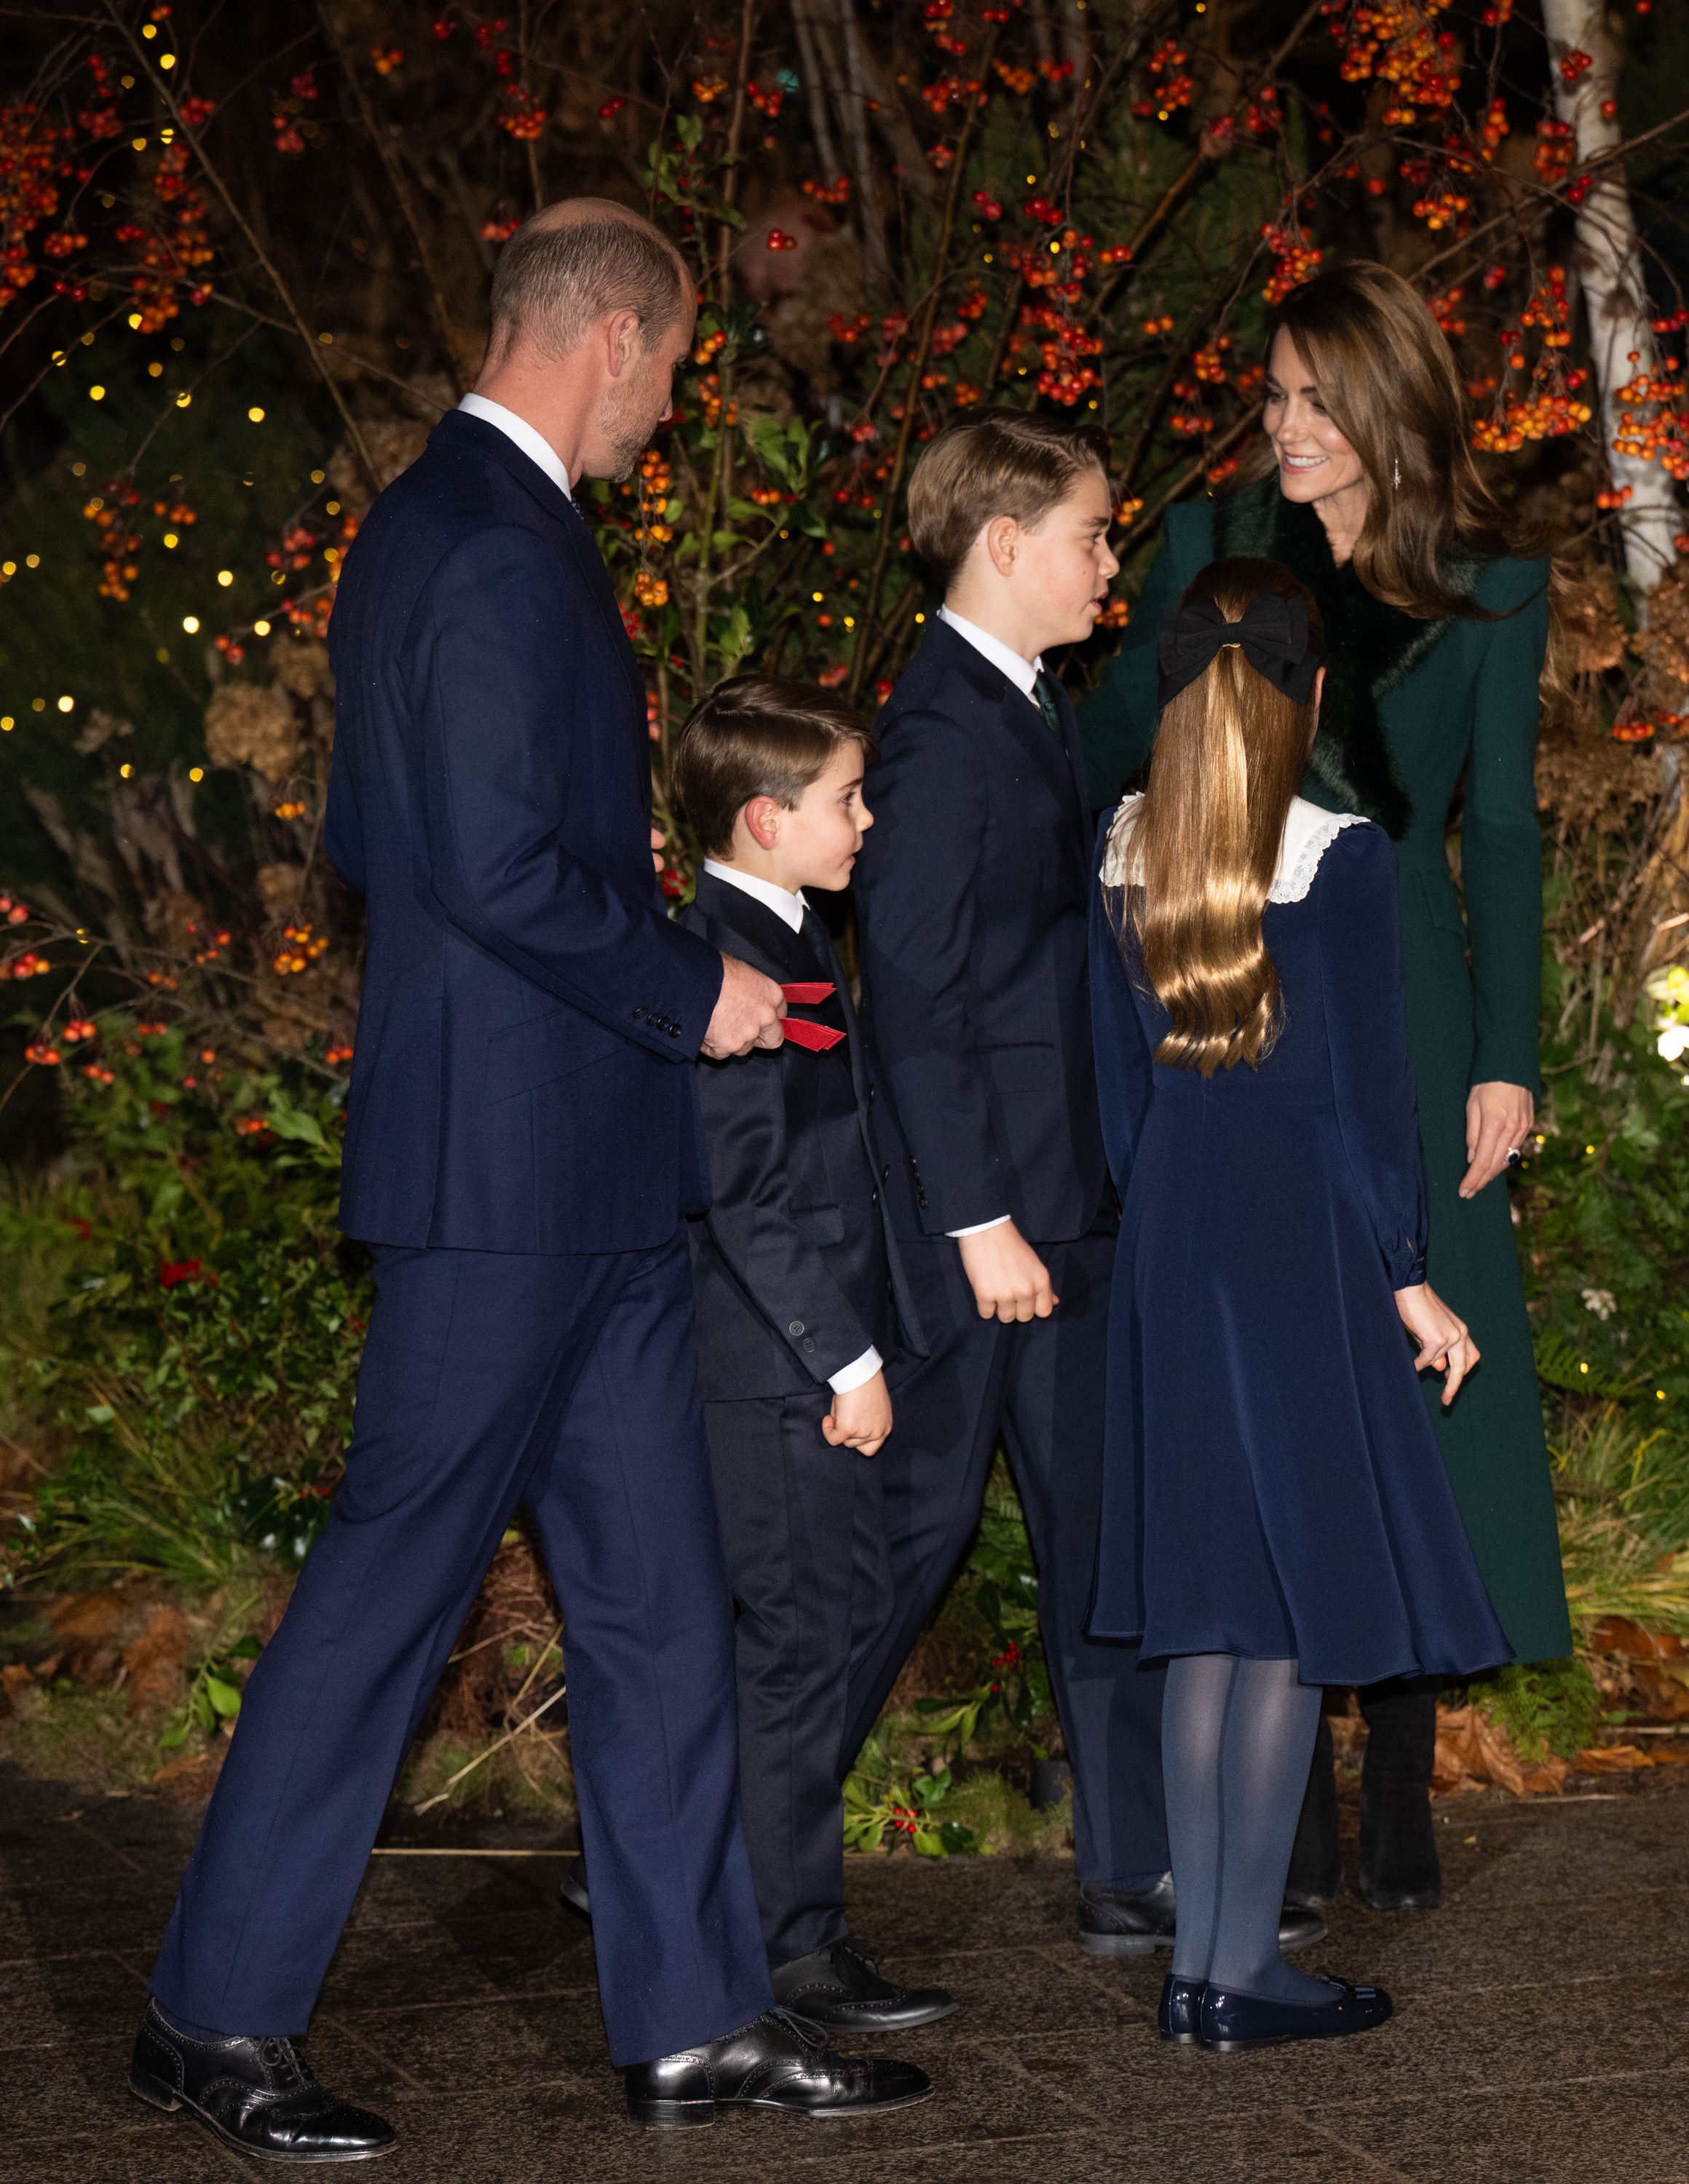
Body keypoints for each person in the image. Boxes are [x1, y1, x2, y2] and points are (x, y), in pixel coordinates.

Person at [127, 200, 927, 2161]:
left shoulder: (446, 538)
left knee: (657, 1609)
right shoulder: (486, 544)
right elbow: (483, 862)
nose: (665, 406)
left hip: (585, 1183)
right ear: (608, 340)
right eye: (665, 367)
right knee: (387, 1600)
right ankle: (209, 2013)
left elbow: (377, 836)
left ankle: (696, 2019)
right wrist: (695, 989)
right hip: (503, 1181)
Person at [1075, 260, 1570, 1916]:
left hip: (1401, 1003)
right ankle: (1276, 1827)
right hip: (1213, 990)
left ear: (1389, 404)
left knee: (1411, 1381)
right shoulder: (1209, 551)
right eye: (1272, 394)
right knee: (1257, 1383)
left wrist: (1509, 1049)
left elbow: (1496, 828)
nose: (1282, 427)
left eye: (1311, 398)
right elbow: (1118, 760)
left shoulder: (1492, 583)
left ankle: (1405, 1767)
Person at [845, 408, 1320, 1962]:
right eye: (1093, 536)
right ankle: (714, 1832)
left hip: (1068, 1207)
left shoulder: (1023, 705)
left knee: (1105, 1539)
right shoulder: (932, 735)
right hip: (988, 1227)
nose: (1110, 566)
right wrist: (978, 1221)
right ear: (1003, 542)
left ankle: (1132, 1862)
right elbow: (913, 995)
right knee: (901, 1550)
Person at [1088, 553, 1511, 2054]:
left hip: (1170, 1243)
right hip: (1299, 1247)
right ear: (1310, 691)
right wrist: (1406, 1276)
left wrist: (1161, 1240)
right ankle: (1234, 1976)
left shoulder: (1122, 846)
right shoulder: (1339, 855)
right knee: (1274, 1621)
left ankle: (1204, 1970)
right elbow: (1367, 1100)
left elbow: (1116, 1104)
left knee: (1209, 1619)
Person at [560, 676, 954, 2035]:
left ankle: (759, 1909)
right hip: (769, 1369)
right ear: (764, 817)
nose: (867, 819)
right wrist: (846, 1361)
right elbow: (746, 1194)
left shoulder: (788, 934)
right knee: (796, 1647)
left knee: (817, 1632)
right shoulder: (724, 953)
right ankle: (788, 1948)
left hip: (798, 1358)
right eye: (847, 799)